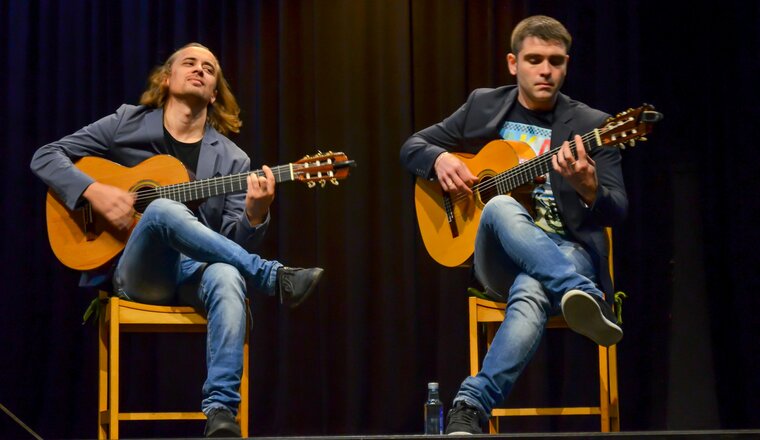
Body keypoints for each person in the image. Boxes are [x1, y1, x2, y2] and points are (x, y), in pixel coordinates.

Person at [31, 42, 324, 438]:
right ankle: (272, 277)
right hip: (139, 271)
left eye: (210, 68)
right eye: (190, 63)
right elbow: (46, 156)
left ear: (215, 93)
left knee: (228, 275)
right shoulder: (127, 122)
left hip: (193, 276)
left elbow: (229, 244)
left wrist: (256, 214)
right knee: (162, 209)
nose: (200, 69)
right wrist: (93, 192)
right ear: (167, 79)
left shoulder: (233, 160)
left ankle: (221, 411)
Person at [400, 15, 628, 434]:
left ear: (566, 65)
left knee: (531, 289)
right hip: (500, 258)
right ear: (513, 63)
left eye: (556, 61)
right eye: (534, 59)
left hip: (568, 249)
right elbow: (411, 146)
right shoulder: (484, 105)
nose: (546, 70)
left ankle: (470, 406)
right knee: (501, 205)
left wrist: (589, 188)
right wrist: (439, 158)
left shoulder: (594, 126)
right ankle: (583, 293)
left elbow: (617, 211)